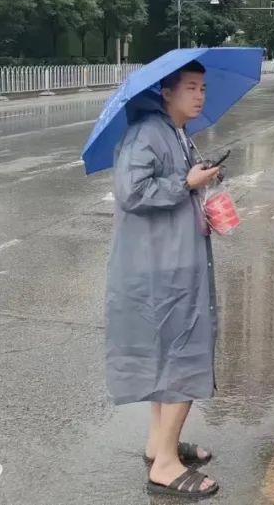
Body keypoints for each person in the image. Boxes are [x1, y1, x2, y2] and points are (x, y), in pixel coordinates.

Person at [105, 60, 225, 499]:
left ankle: (160, 445)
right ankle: (166, 467)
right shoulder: (147, 133)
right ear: (166, 92)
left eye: (203, 88)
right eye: (190, 87)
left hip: (174, 261)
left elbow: (178, 182)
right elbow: (131, 191)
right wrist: (185, 183)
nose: (200, 95)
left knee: (169, 356)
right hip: (163, 268)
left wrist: (200, 179)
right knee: (183, 355)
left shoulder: (177, 132)